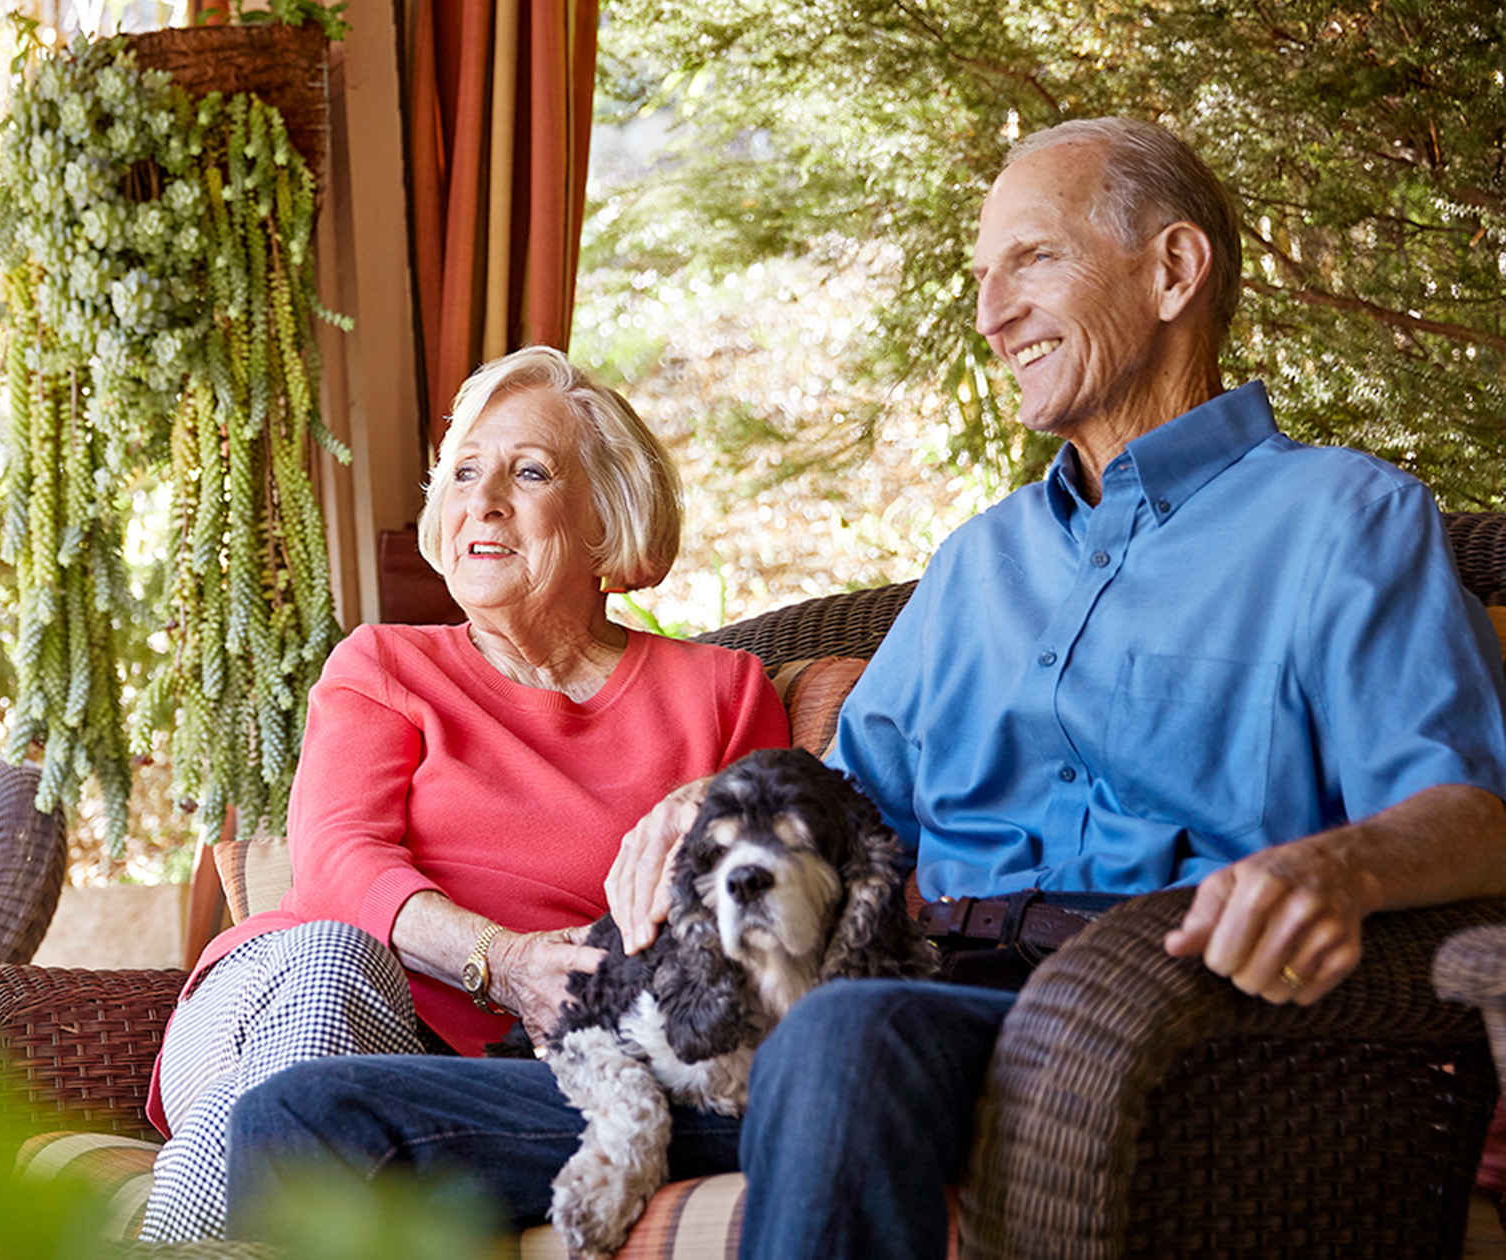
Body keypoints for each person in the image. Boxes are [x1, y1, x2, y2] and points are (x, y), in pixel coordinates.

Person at [222, 116, 1506, 1258]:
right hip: (889, 1012)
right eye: (983, 274)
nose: (993, 310)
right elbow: (838, 797)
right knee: (313, 1116)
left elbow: (1473, 811)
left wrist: (1337, 869)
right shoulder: (981, 562)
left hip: (1151, 1021)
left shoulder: (1347, 521)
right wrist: (722, 808)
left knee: (842, 1038)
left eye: (1033, 260)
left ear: (1173, 270)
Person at [134, 345, 792, 1241]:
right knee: (332, 971)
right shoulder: (385, 663)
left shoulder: (721, 692)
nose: (481, 501)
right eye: (463, 474)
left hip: (510, 1069)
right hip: (289, 992)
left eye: (528, 472)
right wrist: (506, 962)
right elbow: (335, 865)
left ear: (608, 512)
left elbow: (748, 909)